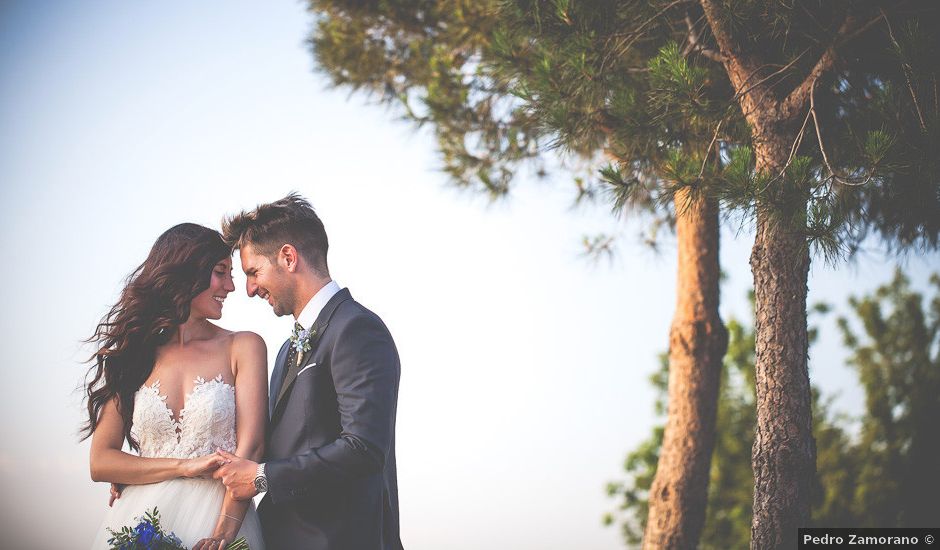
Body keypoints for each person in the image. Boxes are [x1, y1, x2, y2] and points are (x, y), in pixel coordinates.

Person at [212, 193, 403, 550]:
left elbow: (363, 447)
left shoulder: (357, 329)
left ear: (288, 257)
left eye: (254, 272)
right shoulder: (286, 349)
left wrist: (262, 477)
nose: (250, 290)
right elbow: (273, 443)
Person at [83, 223, 268, 550]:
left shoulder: (244, 347)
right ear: (187, 272)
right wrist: (184, 466)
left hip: (219, 519)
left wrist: (223, 534)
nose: (230, 286)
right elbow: (101, 461)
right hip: (139, 520)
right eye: (220, 272)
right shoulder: (133, 354)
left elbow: (251, 449)